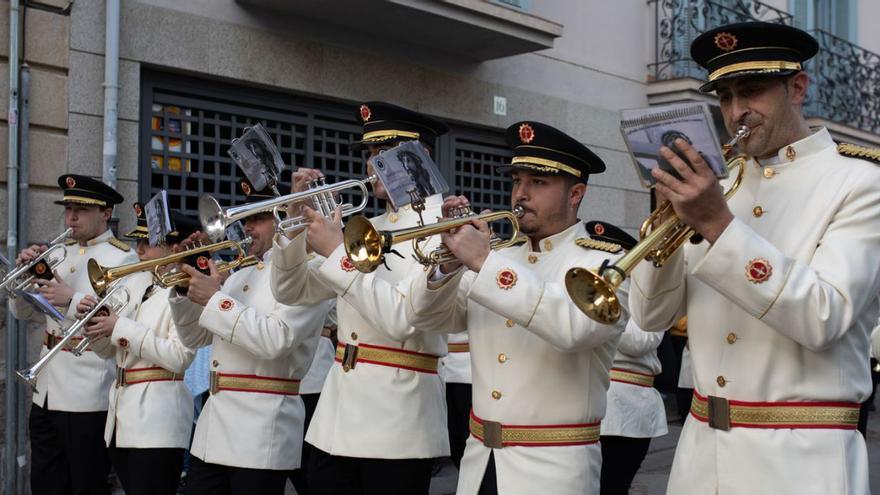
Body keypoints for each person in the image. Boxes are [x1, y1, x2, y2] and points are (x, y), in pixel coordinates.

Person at [629, 21, 880, 494]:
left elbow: (822, 317)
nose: (736, 111)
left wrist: (717, 226)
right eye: (724, 97)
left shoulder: (860, 184)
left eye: (752, 91)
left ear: (798, 88)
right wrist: (664, 220)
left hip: (802, 460)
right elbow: (649, 315)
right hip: (699, 457)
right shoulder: (721, 186)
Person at [405, 121, 627, 494]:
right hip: (480, 461)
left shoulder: (608, 263)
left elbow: (575, 329)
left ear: (576, 194)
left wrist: (484, 263)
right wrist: (448, 262)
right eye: (517, 181)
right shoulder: (500, 257)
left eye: (538, 183)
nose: (520, 194)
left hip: (554, 467)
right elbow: (423, 317)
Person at [269, 102, 451, 495]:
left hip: (399, 419)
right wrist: (293, 221)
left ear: (423, 156)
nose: (373, 165)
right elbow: (292, 291)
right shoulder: (364, 225)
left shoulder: (444, 227)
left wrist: (337, 251)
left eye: (383, 153)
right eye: (370, 155)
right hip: (338, 416)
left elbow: (404, 320)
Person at [168, 179, 330, 495]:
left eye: (257, 217)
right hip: (213, 433)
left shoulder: (311, 272)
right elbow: (194, 337)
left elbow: (275, 340)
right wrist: (184, 287)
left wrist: (215, 299)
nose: (246, 227)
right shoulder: (240, 272)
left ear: (284, 218)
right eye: (245, 219)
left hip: (260, 432)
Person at [11, 174, 143, 495]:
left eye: (82, 209)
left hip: (87, 394)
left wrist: (69, 299)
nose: (71, 216)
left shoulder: (123, 258)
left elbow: (116, 322)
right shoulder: (59, 252)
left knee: (85, 485)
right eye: (69, 207)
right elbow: (24, 314)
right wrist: (23, 285)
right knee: (45, 482)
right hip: (46, 389)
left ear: (106, 213)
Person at [76, 206, 201, 494]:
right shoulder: (134, 283)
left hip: (158, 422)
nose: (139, 249)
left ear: (173, 247)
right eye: (138, 242)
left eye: (148, 242)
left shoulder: (186, 291)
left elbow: (179, 357)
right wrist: (94, 328)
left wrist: (120, 327)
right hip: (121, 419)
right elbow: (111, 353)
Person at [581, 222, 667, 495]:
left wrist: (606, 313)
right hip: (586, 400)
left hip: (627, 409)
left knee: (612, 487)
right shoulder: (581, 284)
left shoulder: (645, 291)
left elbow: (643, 341)